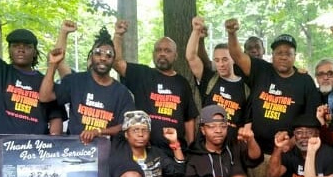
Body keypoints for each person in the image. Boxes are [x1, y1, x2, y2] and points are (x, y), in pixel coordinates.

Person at [225, 18, 321, 177]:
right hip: (258, 151)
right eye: (279, 52)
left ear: (295, 56)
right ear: (272, 55)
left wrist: (291, 144)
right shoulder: (261, 69)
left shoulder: (305, 81)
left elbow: (312, 122)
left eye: (288, 53)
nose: (283, 56)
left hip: (289, 153)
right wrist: (232, 33)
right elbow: (236, 54)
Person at [0, 0, 66, 173]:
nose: (21, 49)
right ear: (9, 50)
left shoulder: (44, 82)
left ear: (35, 51)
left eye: (27, 46)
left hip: (34, 155)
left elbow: (56, 117)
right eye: (16, 46)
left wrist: (53, 145)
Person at [112, 19, 199, 150]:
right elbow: (117, 63)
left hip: (175, 150)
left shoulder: (182, 83)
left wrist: (192, 148)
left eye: (167, 50)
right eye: (158, 50)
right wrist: (118, 35)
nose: (162, 53)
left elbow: (189, 119)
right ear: (153, 54)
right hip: (145, 149)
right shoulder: (142, 74)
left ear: (175, 56)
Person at [39, 27, 135, 142]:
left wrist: (98, 131)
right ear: (91, 57)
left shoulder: (122, 92)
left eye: (109, 56)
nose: (103, 58)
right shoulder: (75, 81)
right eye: (98, 53)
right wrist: (53, 65)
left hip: (107, 154)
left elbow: (126, 125)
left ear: (113, 61)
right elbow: (45, 97)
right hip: (73, 151)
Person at [186, 16, 248, 134]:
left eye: (225, 59)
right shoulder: (209, 79)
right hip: (206, 146)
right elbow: (191, 56)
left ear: (233, 59)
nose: (221, 64)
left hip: (231, 148)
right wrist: (196, 31)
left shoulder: (245, 87)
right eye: (217, 60)